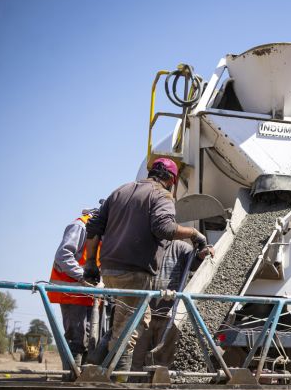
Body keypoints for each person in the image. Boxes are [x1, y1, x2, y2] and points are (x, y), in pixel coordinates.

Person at [83, 158, 209, 376]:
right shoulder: (162, 195)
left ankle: (94, 368)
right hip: (134, 272)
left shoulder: (120, 191)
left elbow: (93, 227)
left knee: (122, 325)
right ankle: (118, 382)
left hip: (110, 269)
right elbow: (165, 228)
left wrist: (91, 264)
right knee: (131, 330)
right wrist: (194, 234)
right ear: (171, 180)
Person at [130, 239, 212, 372]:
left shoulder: (180, 248)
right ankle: (131, 386)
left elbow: (195, 262)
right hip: (143, 313)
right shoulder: (144, 243)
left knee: (162, 361)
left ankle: (158, 388)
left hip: (168, 315)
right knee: (135, 357)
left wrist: (202, 254)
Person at [47, 205, 101, 373]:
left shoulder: (98, 232)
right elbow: (63, 256)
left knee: (88, 340)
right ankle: (71, 378)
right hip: (72, 291)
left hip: (86, 293)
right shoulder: (80, 226)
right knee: (76, 339)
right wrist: (84, 277)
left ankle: (81, 379)